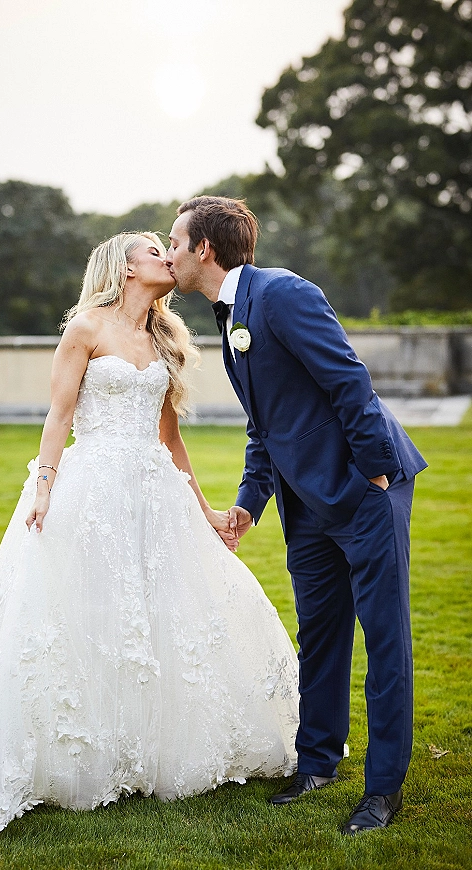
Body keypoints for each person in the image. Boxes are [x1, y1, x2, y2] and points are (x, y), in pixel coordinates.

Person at [0, 231, 299, 837]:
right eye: (155, 250)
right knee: (86, 613)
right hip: (93, 486)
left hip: (153, 490)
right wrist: (45, 485)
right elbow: (60, 413)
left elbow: (170, 438)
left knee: (161, 613)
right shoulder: (87, 329)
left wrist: (202, 508)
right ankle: (77, 752)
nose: (167, 256)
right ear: (125, 268)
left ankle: (150, 746)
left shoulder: (165, 338)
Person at [166, 197, 427, 836]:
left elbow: (349, 382)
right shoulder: (232, 320)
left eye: (174, 242)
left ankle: (384, 788)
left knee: (384, 634)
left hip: (366, 489)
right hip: (303, 504)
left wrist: (374, 470)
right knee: (320, 630)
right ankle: (316, 763)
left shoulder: (282, 294)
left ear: (204, 249)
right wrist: (249, 507)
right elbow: (267, 426)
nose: (166, 252)